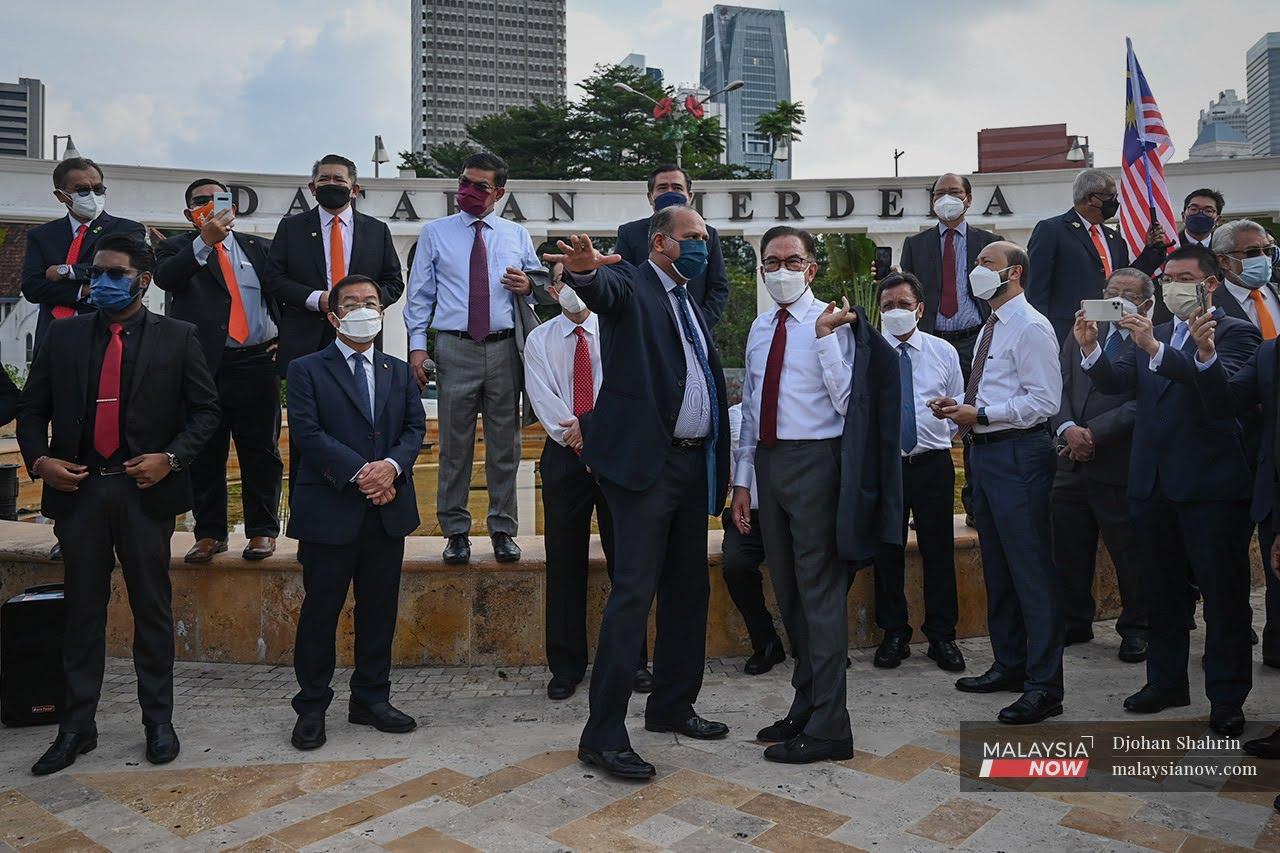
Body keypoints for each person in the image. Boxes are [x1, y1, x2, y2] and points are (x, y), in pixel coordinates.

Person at [17, 234, 220, 775]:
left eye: (114, 273)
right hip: (79, 491)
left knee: (152, 609)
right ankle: (76, 726)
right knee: (82, 612)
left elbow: (205, 412)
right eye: (96, 273)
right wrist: (40, 462)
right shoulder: (63, 335)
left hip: (145, 492)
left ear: (142, 280)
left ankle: (159, 721)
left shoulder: (178, 337)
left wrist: (171, 459)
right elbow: (32, 409)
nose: (101, 282)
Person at [544, 206, 731, 781]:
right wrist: (584, 274)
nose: (702, 247)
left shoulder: (689, 299)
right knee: (633, 596)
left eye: (705, 238)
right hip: (645, 471)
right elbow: (605, 290)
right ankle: (601, 734)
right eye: (692, 238)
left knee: (689, 591)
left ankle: (672, 705)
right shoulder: (633, 282)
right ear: (660, 242)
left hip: (688, 467)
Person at [1079, 244, 1259, 736]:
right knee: (1160, 593)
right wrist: (1092, 347)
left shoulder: (1237, 332)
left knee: (1223, 598)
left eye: (1185, 277)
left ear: (1211, 284)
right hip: (1151, 484)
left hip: (1209, 489)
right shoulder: (1154, 333)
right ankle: (1165, 682)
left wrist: (1163, 352)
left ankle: (1226, 697)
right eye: (1169, 277)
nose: (1175, 285)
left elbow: (1223, 399)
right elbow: (1121, 384)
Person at [729, 225, 858, 763]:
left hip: (818, 462)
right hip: (770, 468)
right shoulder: (761, 327)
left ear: (812, 267)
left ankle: (832, 728)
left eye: (793, 260)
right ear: (763, 270)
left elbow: (852, 402)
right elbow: (753, 409)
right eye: (772, 262)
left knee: (821, 595)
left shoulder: (835, 320)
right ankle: (807, 704)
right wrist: (742, 478)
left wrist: (827, 340)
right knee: (789, 592)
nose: (782, 270)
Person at [284, 275, 426, 751]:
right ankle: (311, 706)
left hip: (386, 510)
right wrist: (362, 472)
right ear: (333, 316)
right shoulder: (306, 369)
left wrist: (389, 468)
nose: (364, 309)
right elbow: (307, 433)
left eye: (371, 302)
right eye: (352, 303)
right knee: (321, 610)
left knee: (379, 609)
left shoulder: (399, 370)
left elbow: (413, 427)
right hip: (330, 508)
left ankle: (370, 698)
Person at [935, 241, 1064, 725]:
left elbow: (1044, 401)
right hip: (986, 454)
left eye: (985, 263)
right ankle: (1010, 664)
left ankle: (1045, 685)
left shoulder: (1030, 326)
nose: (975, 270)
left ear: (1013, 272)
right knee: (1000, 568)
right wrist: (960, 409)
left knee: (1031, 572)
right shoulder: (992, 326)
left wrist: (983, 413)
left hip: (1020, 454)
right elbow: (995, 392)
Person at [404, 152, 544, 566]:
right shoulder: (435, 233)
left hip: (505, 348)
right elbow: (420, 296)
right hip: (454, 347)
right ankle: (456, 532)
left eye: (480, 186)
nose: (467, 190)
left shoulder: (516, 234)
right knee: (454, 445)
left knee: (506, 445)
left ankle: (503, 529)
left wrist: (527, 286)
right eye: (464, 181)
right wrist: (416, 345)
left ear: (499, 192)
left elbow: (537, 284)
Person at [155, 178, 283, 563]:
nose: (210, 204)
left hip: (257, 362)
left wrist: (285, 341)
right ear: (188, 212)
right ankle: (209, 532)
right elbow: (166, 279)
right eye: (200, 201)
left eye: (218, 199)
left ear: (234, 207)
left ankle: (262, 530)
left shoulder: (259, 249)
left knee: (261, 451)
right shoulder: (174, 248)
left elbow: (284, 295)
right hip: (201, 367)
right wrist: (204, 242)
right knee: (206, 451)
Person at [523, 265, 627, 700]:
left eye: (584, 280)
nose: (576, 290)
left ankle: (630, 661)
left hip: (616, 454)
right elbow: (543, 398)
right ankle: (566, 666)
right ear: (553, 289)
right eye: (567, 282)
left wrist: (597, 430)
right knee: (564, 561)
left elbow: (625, 388)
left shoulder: (620, 328)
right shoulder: (539, 339)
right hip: (564, 455)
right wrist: (579, 434)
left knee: (627, 562)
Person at [1050, 269, 1150, 663]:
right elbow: (1054, 382)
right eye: (1112, 291)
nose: (1118, 298)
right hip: (1068, 461)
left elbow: (1145, 400)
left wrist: (1095, 432)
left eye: (1127, 293)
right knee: (1068, 549)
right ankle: (1074, 619)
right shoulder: (1080, 333)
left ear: (1144, 302)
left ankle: (1137, 628)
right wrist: (1069, 428)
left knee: (1129, 553)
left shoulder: (1148, 339)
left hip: (1118, 463)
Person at [871, 272, 966, 673]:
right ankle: (894, 633)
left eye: (904, 305)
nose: (896, 312)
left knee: (939, 550)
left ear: (920, 309)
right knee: (887, 550)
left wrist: (946, 419)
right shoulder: (868, 352)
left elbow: (961, 402)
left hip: (932, 464)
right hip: (887, 467)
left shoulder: (943, 351)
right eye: (888, 306)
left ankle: (942, 636)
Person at [899, 173, 1001, 526]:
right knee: (928, 412)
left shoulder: (989, 243)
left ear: (969, 199)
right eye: (940, 193)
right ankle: (922, 503)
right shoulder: (916, 244)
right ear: (932, 201)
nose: (947, 198)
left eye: (954, 192)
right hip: (933, 342)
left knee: (975, 417)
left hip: (977, 340)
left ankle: (976, 503)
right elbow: (907, 292)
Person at [266, 154, 404, 378]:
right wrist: (316, 299)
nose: (331, 184)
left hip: (362, 338)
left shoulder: (377, 231)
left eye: (339, 180)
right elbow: (273, 278)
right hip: (305, 340)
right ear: (312, 187)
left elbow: (394, 283)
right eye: (324, 179)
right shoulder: (292, 228)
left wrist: (364, 306)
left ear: (354, 189)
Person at [20, 157, 146, 352]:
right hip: (53, 336)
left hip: (108, 334)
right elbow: (33, 288)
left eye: (98, 189)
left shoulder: (127, 229)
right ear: (61, 195)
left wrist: (67, 271)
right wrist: (83, 291)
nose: (92, 196)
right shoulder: (42, 235)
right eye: (83, 190)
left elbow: (123, 272)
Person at [1027, 168, 1166, 344]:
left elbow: (1126, 277)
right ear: (1090, 198)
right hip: (1068, 330)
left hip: (1111, 328)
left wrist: (1152, 250)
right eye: (1111, 197)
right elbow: (1037, 287)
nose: (1116, 203)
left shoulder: (1113, 237)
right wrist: (1040, 330)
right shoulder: (1052, 230)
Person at [614, 164, 730, 327]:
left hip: (695, 331)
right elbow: (622, 282)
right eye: (662, 188)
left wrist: (698, 323)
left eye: (677, 187)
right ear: (650, 196)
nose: (670, 193)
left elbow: (718, 287)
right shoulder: (630, 233)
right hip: (648, 331)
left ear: (689, 196)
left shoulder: (707, 234)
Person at [724, 402, 785, 675]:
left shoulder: (797, 412)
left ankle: (817, 646)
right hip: (751, 514)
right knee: (736, 565)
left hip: (791, 513)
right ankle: (766, 642)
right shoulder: (734, 416)